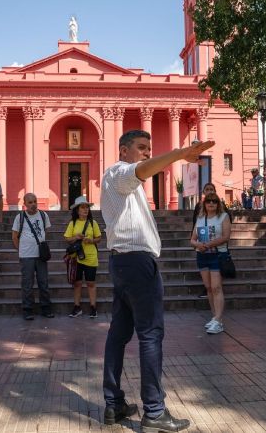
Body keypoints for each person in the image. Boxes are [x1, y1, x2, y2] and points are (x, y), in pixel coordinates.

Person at [101, 129, 213, 431]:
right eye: (141, 147)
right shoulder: (119, 172)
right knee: (150, 335)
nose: (147, 152)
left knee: (119, 334)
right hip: (136, 262)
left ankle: (113, 404)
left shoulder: (124, 184)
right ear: (123, 151)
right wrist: (178, 154)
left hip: (123, 262)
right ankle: (154, 411)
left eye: (149, 148)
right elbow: (141, 169)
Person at [189, 192, 231, 334]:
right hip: (202, 255)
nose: (211, 203)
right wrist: (198, 245)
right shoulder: (200, 218)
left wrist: (209, 244)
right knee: (208, 288)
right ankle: (214, 317)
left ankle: (219, 320)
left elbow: (226, 237)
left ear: (218, 203)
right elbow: (192, 239)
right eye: (208, 201)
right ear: (204, 204)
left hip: (218, 254)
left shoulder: (223, 217)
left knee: (216, 287)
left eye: (214, 201)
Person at [12, 193, 54, 320]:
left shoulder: (43, 215)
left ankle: (46, 308)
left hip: (41, 255)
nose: (33, 204)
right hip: (26, 255)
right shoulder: (19, 217)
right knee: (27, 284)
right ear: (25, 204)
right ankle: (27, 309)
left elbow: (46, 231)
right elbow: (14, 236)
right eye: (30, 202)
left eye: (35, 201)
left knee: (43, 282)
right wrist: (21, 250)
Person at [64, 196, 102, 318]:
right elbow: (67, 238)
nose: (85, 210)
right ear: (77, 210)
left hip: (91, 257)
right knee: (77, 283)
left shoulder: (93, 223)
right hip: (76, 258)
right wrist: (76, 237)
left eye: (87, 207)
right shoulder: (73, 223)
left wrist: (91, 240)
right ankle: (77, 307)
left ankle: (93, 307)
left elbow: (99, 238)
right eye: (82, 207)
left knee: (90, 283)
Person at [191, 183, 227, 299]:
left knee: (216, 283)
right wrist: (196, 243)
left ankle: (217, 293)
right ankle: (208, 290)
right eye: (207, 189)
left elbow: (225, 230)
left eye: (211, 189)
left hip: (218, 246)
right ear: (203, 192)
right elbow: (195, 224)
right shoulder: (199, 207)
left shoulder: (223, 210)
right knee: (209, 283)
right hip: (202, 245)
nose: (211, 203)